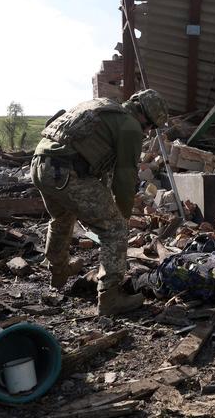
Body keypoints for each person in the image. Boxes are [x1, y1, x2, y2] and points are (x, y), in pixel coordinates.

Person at [31, 89, 169, 316]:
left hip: (41, 164)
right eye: (151, 127)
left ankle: (58, 272)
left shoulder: (103, 106)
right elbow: (124, 177)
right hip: (67, 171)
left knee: (62, 217)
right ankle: (109, 299)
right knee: (114, 229)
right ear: (145, 117)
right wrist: (121, 218)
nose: (148, 132)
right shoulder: (130, 126)